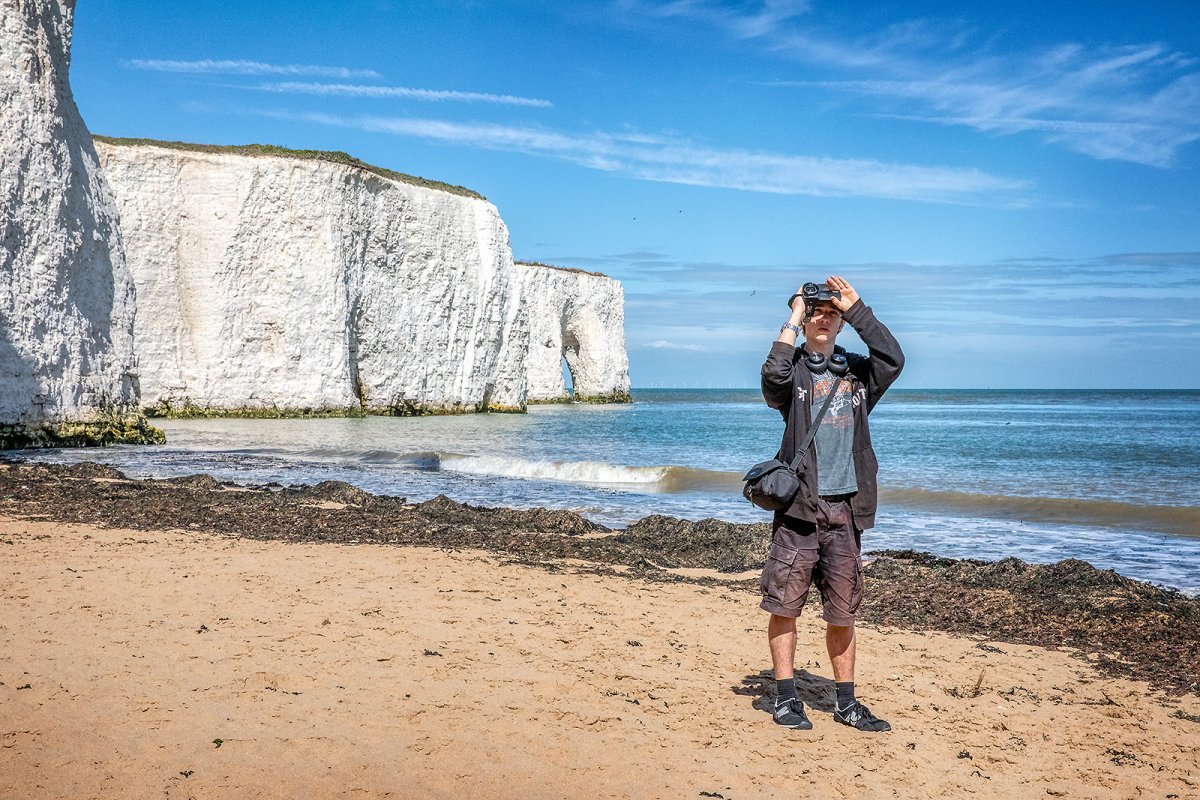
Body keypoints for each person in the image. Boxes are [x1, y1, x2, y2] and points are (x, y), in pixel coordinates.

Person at [758, 275, 904, 732]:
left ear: (842, 324)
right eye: (817, 313)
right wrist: (796, 313)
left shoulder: (858, 373)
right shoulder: (795, 372)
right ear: (804, 323)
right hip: (800, 511)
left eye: (832, 314)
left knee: (843, 612)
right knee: (784, 606)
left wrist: (858, 307)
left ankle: (845, 702)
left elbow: (893, 359)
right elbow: (771, 378)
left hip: (847, 513)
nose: (825, 318)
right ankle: (786, 698)